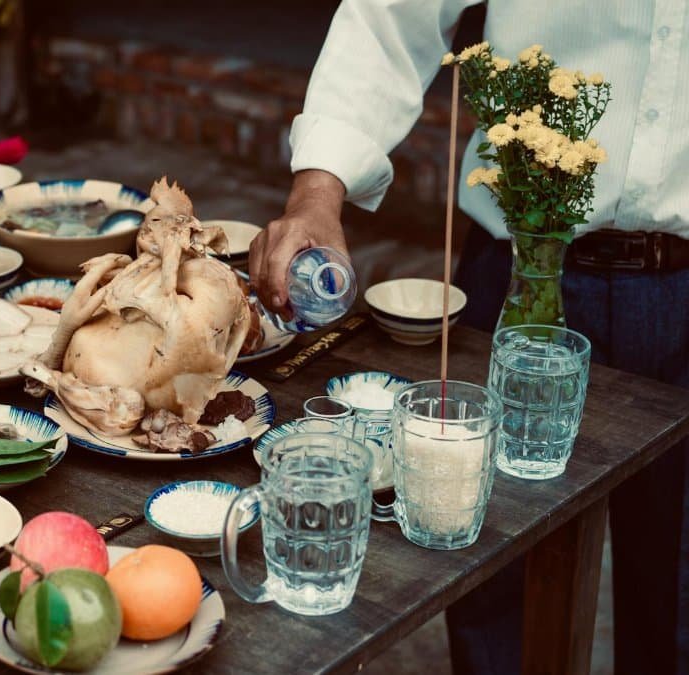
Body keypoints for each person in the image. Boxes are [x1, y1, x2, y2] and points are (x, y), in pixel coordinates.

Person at [248, 2, 689, 673]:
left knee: (679, 600)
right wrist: (317, 189)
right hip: (516, 270)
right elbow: (389, 16)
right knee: (484, 576)